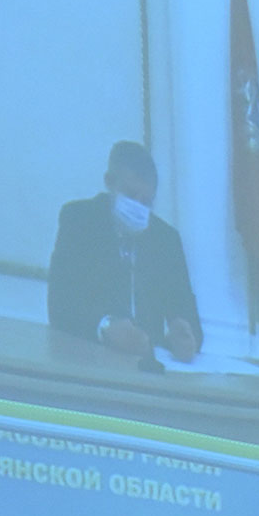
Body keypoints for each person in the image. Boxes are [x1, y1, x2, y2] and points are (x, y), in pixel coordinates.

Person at [46, 141, 202, 363]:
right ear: (109, 182)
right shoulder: (79, 220)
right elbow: (59, 305)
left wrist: (183, 336)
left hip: (148, 368)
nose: (138, 207)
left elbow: (190, 321)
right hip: (90, 359)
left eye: (147, 202)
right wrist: (106, 327)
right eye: (130, 195)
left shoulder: (166, 239)